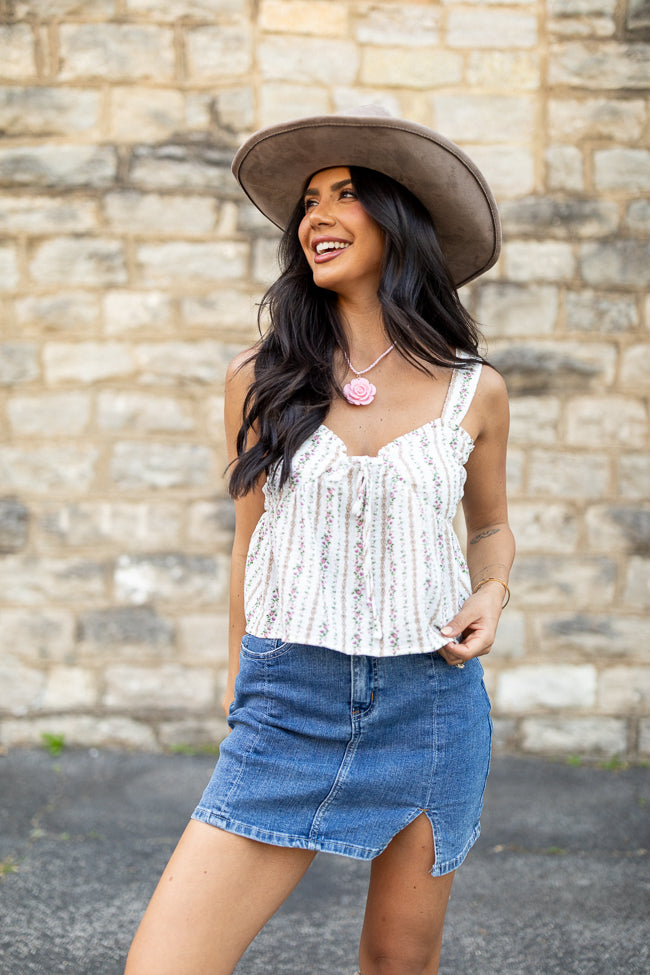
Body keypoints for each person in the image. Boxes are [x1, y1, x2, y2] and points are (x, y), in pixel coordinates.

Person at [125, 106, 515, 975]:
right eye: (308, 201)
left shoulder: (474, 391)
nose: (315, 217)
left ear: (399, 220)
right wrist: (243, 698)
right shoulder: (259, 379)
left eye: (344, 195)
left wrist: (491, 590)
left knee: (396, 963)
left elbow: (488, 526)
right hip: (287, 702)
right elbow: (247, 546)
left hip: (431, 703)